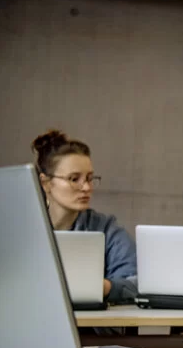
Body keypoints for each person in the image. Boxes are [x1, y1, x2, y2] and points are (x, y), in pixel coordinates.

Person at [32, 130, 137, 303]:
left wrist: (103, 287)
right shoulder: (24, 230)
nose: (87, 187)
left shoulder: (106, 228)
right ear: (46, 183)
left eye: (89, 178)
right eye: (74, 179)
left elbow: (137, 282)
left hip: (90, 328)